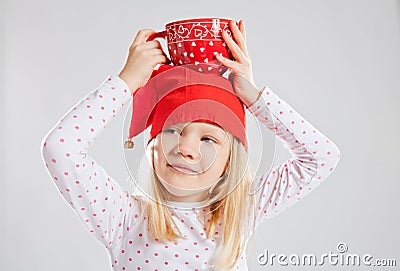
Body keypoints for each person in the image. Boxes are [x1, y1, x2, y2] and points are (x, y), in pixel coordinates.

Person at [40, 19, 341, 271]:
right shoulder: (123, 218)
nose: (185, 148)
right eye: (172, 130)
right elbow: (61, 149)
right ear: (152, 143)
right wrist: (126, 82)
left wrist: (253, 96)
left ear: (229, 160)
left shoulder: (241, 212)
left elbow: (321, 157)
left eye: (208, 138)